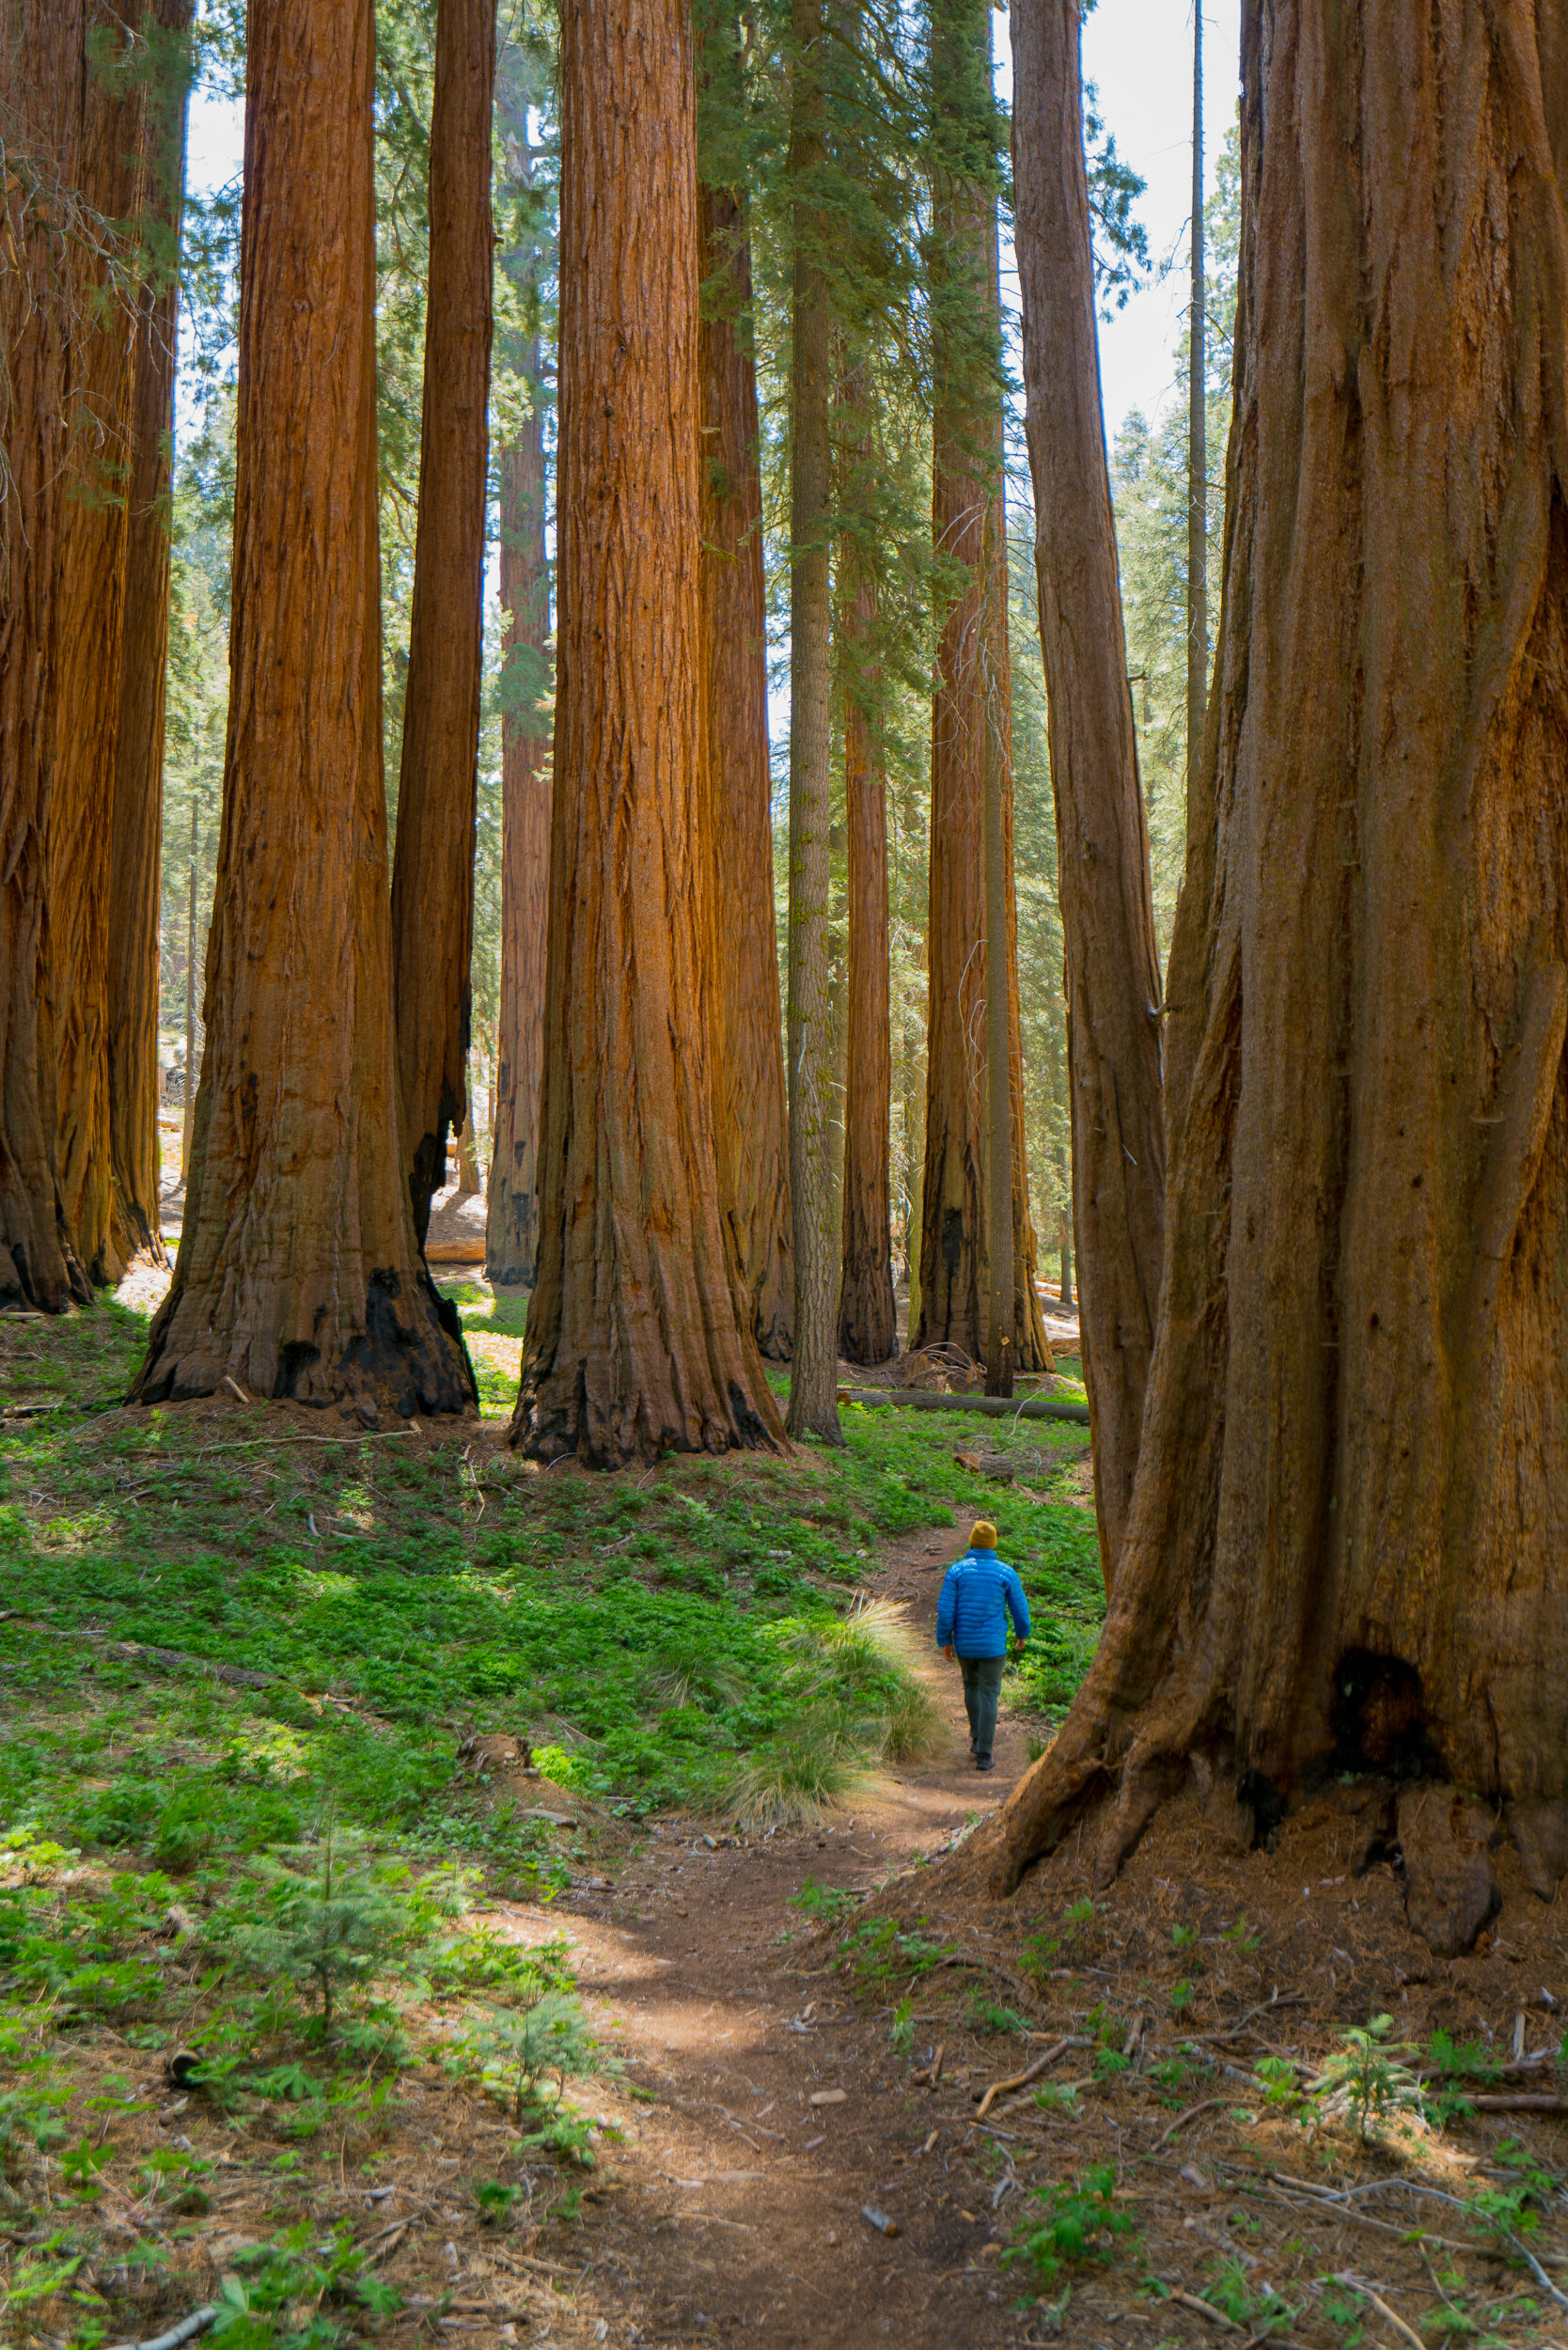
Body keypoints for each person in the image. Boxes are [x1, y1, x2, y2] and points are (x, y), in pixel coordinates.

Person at [935, 1519, 1029, 1773]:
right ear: (993, 1544)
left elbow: (946, 1611)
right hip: (993, 1647)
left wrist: (945, 1640)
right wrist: (1023, 1633)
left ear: (972, 1542)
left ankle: (977, 1739)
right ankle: (985, 1755)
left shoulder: (957, 1571)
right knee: (989, 1694)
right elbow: (1020, 1609)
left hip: (965, 1645)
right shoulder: (1006, 1572)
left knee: (971, 1687)